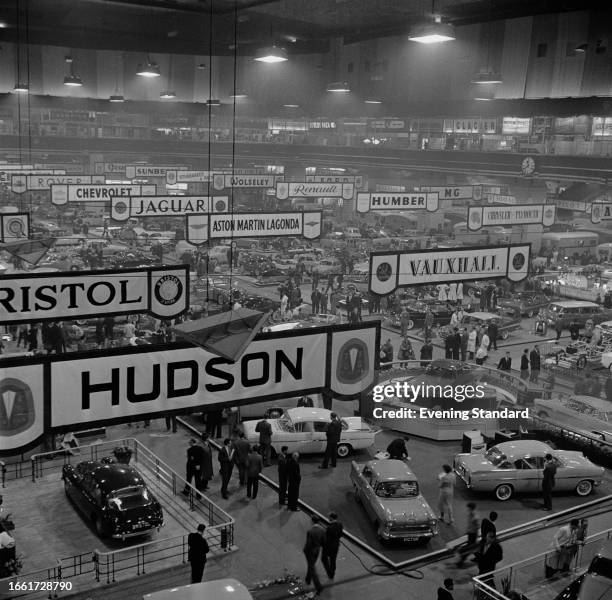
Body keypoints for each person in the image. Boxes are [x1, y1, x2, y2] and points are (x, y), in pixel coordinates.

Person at [303, 516, 326, 595]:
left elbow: (308, 544)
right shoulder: (322, 530)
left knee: (312, 568)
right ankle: (308, 579)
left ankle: (319, 587)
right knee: (311, 565)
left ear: (312, 521)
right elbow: (323, 542)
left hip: (310, 552)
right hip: (317, 551)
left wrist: (305, 550)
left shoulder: (310, 531)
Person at [457, 502, 480, 567]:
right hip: (470, 533)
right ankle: (479, 558)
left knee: (469, 548)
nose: (467, 509)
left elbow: (477, 527)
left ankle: (461, 561)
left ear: (471, 508)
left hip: (473, 535)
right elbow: (470, 525)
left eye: (468, 508)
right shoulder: (470, 514)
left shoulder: (475, 517)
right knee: (472, 548)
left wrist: (477, 537)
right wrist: (467, 532)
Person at [322, 512, 343, 580]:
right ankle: (332, 573)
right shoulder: (340, 524)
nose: (328, 518)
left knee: (324, 558)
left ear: (331, 518)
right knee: (333, 560)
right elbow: (340, 534)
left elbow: (326, 539)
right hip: (336, 546)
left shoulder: (329, 528)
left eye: (329, 517)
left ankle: (329, 572)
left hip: (329, 547)